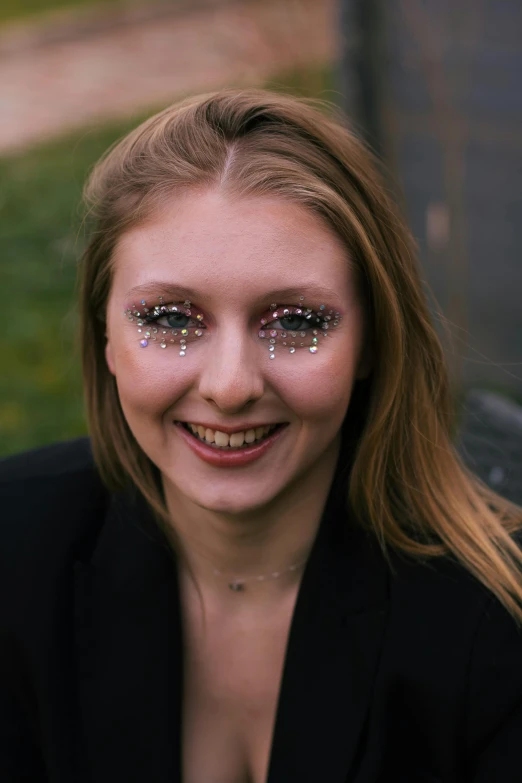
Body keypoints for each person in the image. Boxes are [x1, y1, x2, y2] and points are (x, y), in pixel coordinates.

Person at [1, 88, 521, 783]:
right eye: (170, 317)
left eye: (296, 322)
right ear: (105, 335)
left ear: (372, 341)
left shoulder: (496, 617)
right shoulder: (13, 551)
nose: (231, 384)